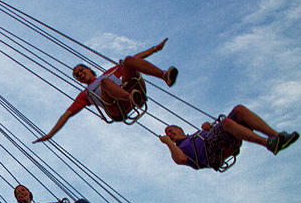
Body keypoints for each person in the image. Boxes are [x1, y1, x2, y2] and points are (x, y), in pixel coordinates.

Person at [34, 39, 177, 142]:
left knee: (127, 60)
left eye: (81, 70)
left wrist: (155, 49)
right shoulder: (85, 94)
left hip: (130, 91)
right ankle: (131, 97)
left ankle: (164, 76)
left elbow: (136, 59)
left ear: (89, 69)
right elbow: (66, 115)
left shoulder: (109, 72)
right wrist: (50, 134)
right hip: (116, 108)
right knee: (105, 83)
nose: (80, 74)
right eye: (77, 75)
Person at [160, 105, 298, 170]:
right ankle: (267, 143)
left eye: (171, 131)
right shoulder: (179, 148)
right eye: (169, 135)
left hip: (215, 141)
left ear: (180, 129)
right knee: (225, 123)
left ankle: (277, 137)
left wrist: (210, 128)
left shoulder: (195, 136)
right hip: (211, 153)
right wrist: (168, 143)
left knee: (239, 110)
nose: (170, 135)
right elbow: (181, 159)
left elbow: (216, 134)